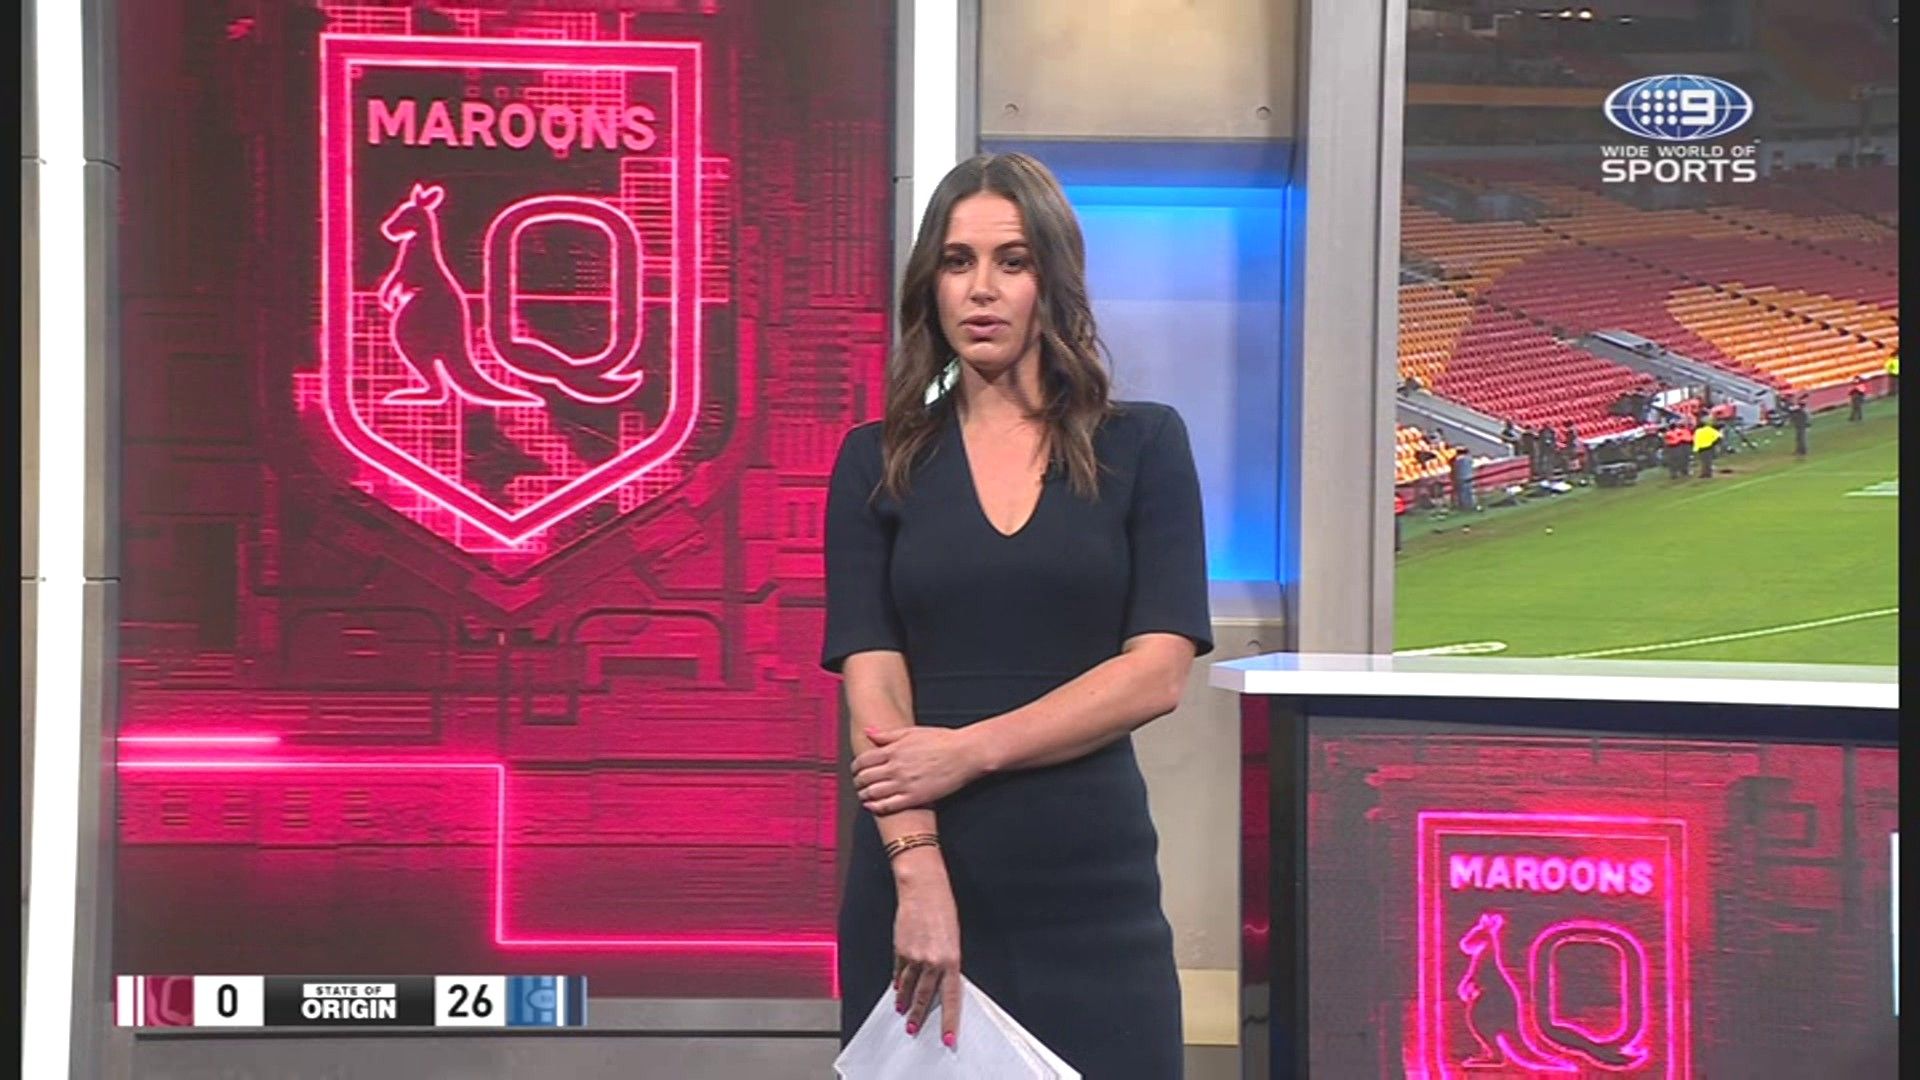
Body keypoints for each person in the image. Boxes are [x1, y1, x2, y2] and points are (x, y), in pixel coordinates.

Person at [823, 152, 1209, 1077]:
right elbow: (874, 682)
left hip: (1091, 881)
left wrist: (968, 750)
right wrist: (917, 871)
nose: (982, 289)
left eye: (1013, 261)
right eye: (958, 262)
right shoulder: (875, 461)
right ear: (931, 284)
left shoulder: (1144, 445)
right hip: (919, 870)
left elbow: (1156, 673)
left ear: (1053, 280)